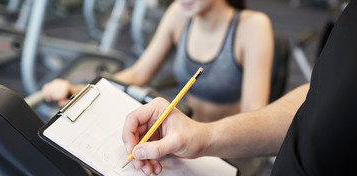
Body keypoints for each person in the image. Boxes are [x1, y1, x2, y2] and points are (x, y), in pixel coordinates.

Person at [122, 0, 357, 176]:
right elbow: (318, 96)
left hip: (231, 154)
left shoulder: (252, 26)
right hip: (193, 137)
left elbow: (254, 111)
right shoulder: (178, 14)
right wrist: (84, 88)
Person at [42, 0, 274, 122]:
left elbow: (254, 116)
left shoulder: (253, 27)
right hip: (186, 126)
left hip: (224, 142)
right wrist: (78, 90)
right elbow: (138, 74)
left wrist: (202, 138)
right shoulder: (179, 13)